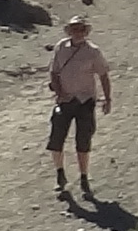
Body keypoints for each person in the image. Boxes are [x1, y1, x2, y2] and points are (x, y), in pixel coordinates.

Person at [46, 14, 113, 202]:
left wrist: (107, 99)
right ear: (69, 31)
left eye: (81, 29)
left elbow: (103, 75)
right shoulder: (61, 47)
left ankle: (84, 176)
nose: (77, 32)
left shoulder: (93, 52)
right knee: (56, 139)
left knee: (83, 140)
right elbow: (54, 72)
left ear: (86, 31)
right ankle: (60, 173)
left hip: (85, 101)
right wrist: (59, 92)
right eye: (74, 29)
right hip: (65, 101)